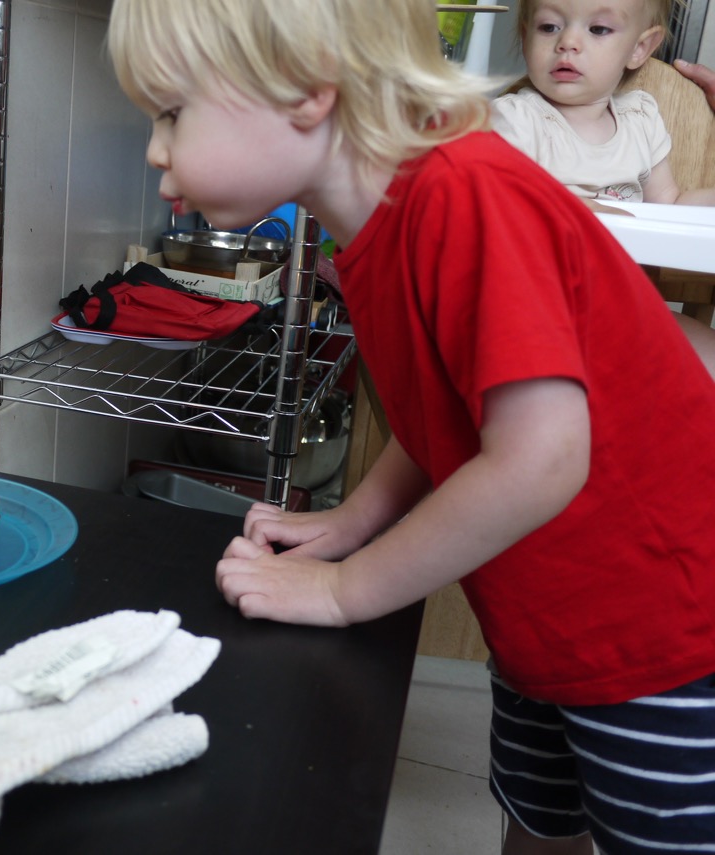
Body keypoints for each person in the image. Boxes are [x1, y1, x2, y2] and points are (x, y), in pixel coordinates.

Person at [106, 1, 715, 853]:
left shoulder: (465, 196)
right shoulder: (380, 224)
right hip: (547, 616)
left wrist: (344, 591)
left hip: (665, 628)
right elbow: (450, 405)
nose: (155, 149)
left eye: (172, 112)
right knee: (539, 823)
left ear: (305, 90)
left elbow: (542, 457)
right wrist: (355, 520)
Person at [491, 0, 715, 206]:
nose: (568, 42)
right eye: (549, 27)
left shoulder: (641, 120)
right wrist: (582, 210)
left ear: (639, 48)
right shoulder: (513, 120)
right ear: (526, 38)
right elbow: (497, 203)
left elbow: (669, 205)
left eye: (598, 29)